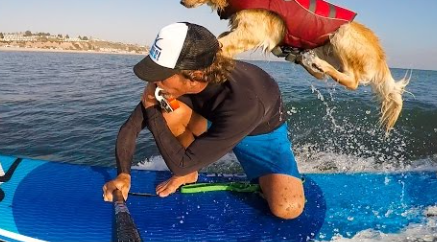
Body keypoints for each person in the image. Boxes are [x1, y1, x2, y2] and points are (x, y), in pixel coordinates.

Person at [102, 22, 305, 219]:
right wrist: (123, 175)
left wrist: (151, 108)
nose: (154, 82)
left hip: (260, 132)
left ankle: (268, 176)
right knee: (170, 109)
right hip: (214, 120)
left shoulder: (244, 102)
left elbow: (179, 164)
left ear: (194, 76)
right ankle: (191, 173)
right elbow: (131, 127)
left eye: (162, 75)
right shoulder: (173, 83)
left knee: (287, 208)